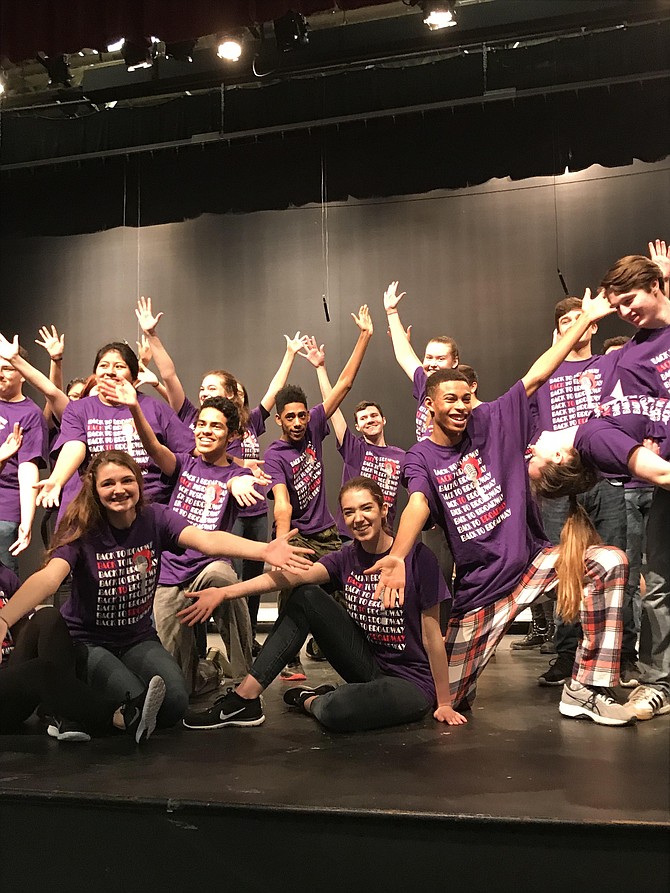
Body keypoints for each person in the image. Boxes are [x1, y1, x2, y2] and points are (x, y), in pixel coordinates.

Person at [369, 288, 637, 727]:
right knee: (445, 699)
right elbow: (417, 500)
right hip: (482, 593)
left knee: (608, 561)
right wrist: (397, 554)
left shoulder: (492, 420)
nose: (459, 407)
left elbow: (536, 374)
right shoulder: (421, 456)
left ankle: (588, 687)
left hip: (531, 566)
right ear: (429, 404)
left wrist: (577, 326)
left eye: (463, 398)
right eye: (448, 401)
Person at [0, 449, 313, 729]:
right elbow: (49, 578)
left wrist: (264, 550)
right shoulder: (83, 528)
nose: (119, 489)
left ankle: (200, 671)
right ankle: (83, 696)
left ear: (138, 483)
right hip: (89, 642)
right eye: (108, 484)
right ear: (95, 491)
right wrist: (3, 621)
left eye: (126, 480)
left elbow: (207, 540)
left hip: (138, 638)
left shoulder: (156, 519)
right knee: (134, 700)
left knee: (175, 704)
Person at [177, 477, 467, 733]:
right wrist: (225, 592)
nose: (359, 518)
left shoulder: (418, 559)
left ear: (383, 509)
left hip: (410, 682)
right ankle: (244, 700)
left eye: (366, 508)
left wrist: (443, 702)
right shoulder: (345, 558)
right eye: (349, 512)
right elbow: (287, 578)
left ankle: (311, 699)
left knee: (335, 711)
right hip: (366, 665)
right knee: (306, 596)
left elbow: (432, 637)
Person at [135, 295, 309, 651]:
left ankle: (246, 654)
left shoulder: (246, 424)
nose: (204, 394)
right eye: (202, 391)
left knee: (244, 578)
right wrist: (153, 342)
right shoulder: (192, 427)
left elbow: (274, 392)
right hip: (209, 516)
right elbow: (170, 380)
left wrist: (290, 355)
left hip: (249, 509)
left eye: (212, 389)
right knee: (206, 578)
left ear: (232, 396)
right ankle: (197, 654)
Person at [98, 375, 264, 688]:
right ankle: (208, 670)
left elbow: (235, 480)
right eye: (201, 424)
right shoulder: (184, 464)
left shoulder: (238, 473)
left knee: (224, 576)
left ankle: (244, 679)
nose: (205, 430)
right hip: (169, 575)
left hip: (206, 568)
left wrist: (237, 482)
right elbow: (154, 447)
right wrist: (135, 407)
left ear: (231, 435)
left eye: (215, 426)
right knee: (178, 684)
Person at [263, 306, 374, 680]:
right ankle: (286, 659)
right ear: (278, 419)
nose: (297, 422)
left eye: (301, 415)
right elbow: (281, 503)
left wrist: (364, 336)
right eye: (289, 417)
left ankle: (335, 645)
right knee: (291, 594)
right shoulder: (275, 454)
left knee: (348, 590)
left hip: (328, 533)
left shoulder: (314, 427)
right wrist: (282, 545)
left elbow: (343, 385)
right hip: (298, 536)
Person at [523, 297, 627, 681]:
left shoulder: (608, 364)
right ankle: (567, 654)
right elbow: (531, 422)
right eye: (567, 320)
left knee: (615, 563)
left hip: (605, 476)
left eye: (581, 319)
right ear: (558, 329)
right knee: (565, 569)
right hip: (561, 483)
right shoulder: (548, 372)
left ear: (594, 325)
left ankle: (616, 656)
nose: (576, 325)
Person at [591, 244, 670, 719]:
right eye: (617, 307)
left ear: (656, 286)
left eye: (629, 301)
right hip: (664, 487)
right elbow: (636, 424)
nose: (624, 313)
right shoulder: (633, 355)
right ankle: (660, 682)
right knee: (657, 584)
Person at [34, 341, 194, 515]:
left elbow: (188, 452)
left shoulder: (155, 408)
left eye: (119, 366)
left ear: (134, 377)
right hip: (99, 506)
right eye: (103, 365)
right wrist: (57, 480)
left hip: (149, 505)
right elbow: (74, 445)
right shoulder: (79, 409)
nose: (110, 371)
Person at [306, 339, 405, 538]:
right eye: (363, 418)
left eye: (374, 415)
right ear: (358, 426)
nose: (370, 420)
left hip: (385, 535)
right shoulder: (354, 448)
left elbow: (415, 491)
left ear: (383, 420)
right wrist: (320, 369)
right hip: (350, 536)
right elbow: (332, 409)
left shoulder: (401, 456)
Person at [0, 336, 48, 572]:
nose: (0, 374)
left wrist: (27, 520)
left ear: (22, 373)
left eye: (7, 368)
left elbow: (27, 469)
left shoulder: (29, 414)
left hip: (4, 510)